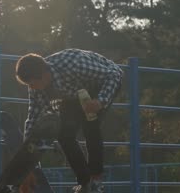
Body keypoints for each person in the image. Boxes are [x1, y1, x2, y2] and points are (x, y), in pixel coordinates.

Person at [15, 49, 123, 193]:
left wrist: (100, 101)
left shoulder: (73, 64)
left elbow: (114, 74)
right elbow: (32, 119)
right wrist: (27, 161)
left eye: (32, 84)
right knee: (64, 134)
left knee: (90, 126)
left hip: (100, 84)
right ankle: (85, 182)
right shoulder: (36, 87)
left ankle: (95, 179)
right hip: (72, 94)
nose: (31, 88)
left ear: (44, 76)